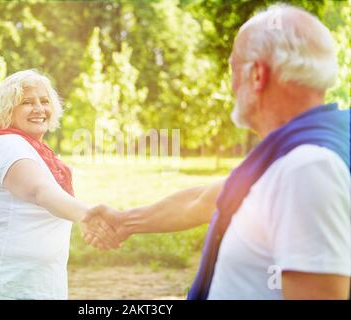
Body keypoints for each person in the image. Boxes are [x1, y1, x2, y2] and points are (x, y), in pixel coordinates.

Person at [83, 4, 350, 300]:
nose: (232, 84)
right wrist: (125, 221)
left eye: (233, 68)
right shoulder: (300, 151)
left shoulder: (306, 168)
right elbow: (202, 201)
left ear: (258, 75)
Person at [0, 69, 118, 300]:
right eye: (27, 102)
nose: (39, 108)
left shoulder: (38, 152)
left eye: (44, 101)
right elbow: (40, 191)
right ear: (8, 110)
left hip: (34, 288)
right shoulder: (8, 145)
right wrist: (88, 215)